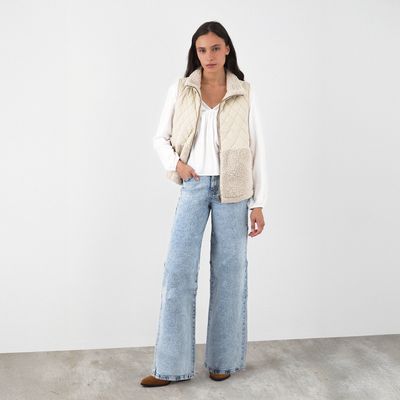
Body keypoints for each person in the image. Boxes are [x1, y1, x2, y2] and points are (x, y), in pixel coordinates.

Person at [140, 20, 268, 387]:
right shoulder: (182, 89)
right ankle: (170, 367)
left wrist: (259, 203)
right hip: (194, 186)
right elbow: (160, 138)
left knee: (230, 275)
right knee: (178, 272)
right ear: (195, 53)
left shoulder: (244, 92)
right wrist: (177, 164)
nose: (208, 55)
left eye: (214, 48)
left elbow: (258, 149)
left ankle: (223, 361)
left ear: (227, 49)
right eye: (201, 49)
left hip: (234, 191)